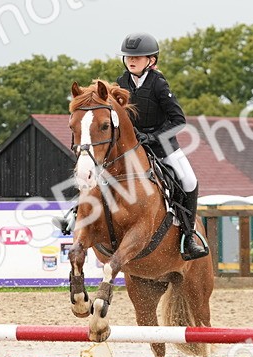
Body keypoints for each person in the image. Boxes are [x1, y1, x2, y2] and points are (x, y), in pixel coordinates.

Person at [56, 32, 208, 261]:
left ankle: (189, 235)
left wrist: (153, 137)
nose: (132, 61)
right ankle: (75, 214)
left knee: (189, 181)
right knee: (92, 171)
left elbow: (178, 121)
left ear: (152, 60)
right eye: (128, 57)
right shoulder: (122, 82)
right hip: (129, 150)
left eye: (138, 57)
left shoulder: (159, 85)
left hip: (162, 148)